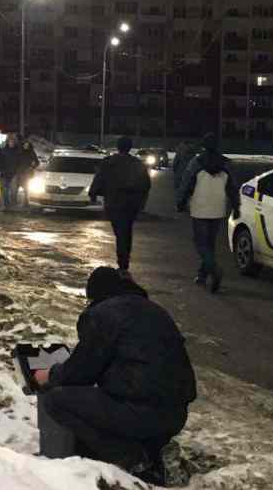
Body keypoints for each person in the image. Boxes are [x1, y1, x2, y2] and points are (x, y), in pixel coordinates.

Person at [34, 267, 197, 485]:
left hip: (140, 413)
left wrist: (49, 375)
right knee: (112, 397)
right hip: (176, 416)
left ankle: (133, 458)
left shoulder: (103, 314)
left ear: (95, 295)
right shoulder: (154, 310)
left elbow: (79, 375)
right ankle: (151, 451)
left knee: (57, 401)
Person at [177, 133, 240, 293]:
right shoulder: (226, 164)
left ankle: (214, 269)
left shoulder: (196, 163)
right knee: (210, 243)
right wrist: (236, 207)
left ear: (203, 145)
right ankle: (202, 275)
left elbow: (186, 182)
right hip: (218, 209)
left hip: (199, 207)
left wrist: (181, 201)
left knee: (200, 243)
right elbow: (232, 188)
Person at [89, 136, 151, 277]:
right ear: (130, 147)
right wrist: (141, 203)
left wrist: (93, 194)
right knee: (126, 231)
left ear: (118, 147)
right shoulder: (137, 164)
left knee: (120, 233)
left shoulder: (109, 162)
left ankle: (123, 263)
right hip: (131, 205)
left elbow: (99, 178)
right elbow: (146, 185)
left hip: (114, 203)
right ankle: (124, 262)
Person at [0, 135, 21, 211]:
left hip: (14, 173)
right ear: (7, 142)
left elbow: (19, 163)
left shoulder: (17, 151)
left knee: (13, 191)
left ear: (15, 142)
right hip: (4, 173)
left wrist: (18, 172)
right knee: (5, 191)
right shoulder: (3, 151)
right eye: (10, 141)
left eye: (12, 142)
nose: (11, 143)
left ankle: (13, 205)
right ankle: (7, 206)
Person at [16, 137, 40, 209]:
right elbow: (16, 161)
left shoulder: (32, 152)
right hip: (20, 173)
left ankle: (26, 202)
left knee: (27, 189)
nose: (26, 146)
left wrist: (33, 166)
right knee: (17, 188)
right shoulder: (20, 152)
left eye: (27, 145)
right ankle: (15, 202)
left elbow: (37, 162)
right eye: (25, 145)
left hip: (28, 173)